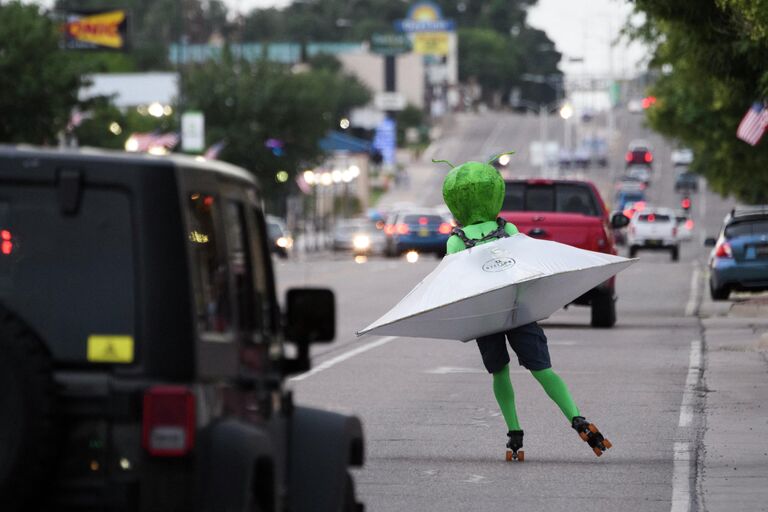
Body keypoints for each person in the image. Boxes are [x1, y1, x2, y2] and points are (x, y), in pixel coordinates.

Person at [438, 155, 612, 461]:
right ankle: (577, 418)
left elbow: (454, 282)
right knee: (542, 369)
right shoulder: (508, 229)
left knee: (499, 372)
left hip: (485, 315)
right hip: (518, 309)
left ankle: (514, 432)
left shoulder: (456, 241)